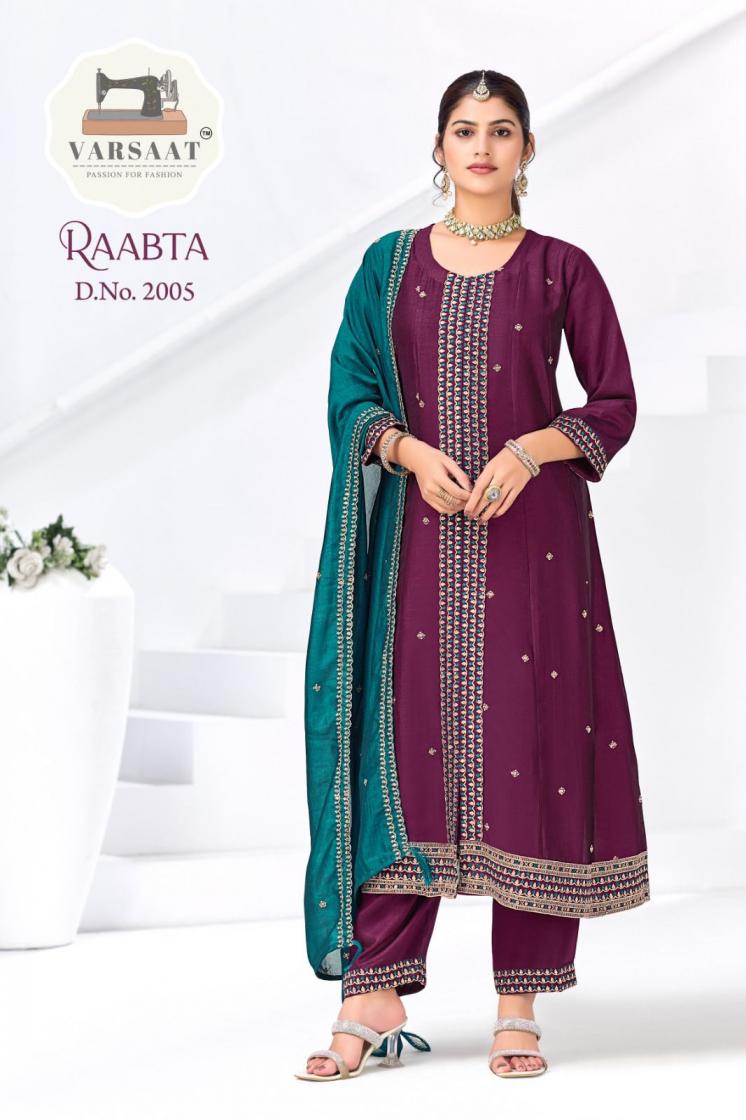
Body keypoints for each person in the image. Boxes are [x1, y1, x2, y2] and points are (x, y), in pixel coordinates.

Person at [296, 68, 650, 1082]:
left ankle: (517, 1001)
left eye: (501, 130)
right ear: (440, 147)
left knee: (530, 749)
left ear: (526, 149)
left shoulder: (560, 269)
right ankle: (372, 986)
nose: (482, 147)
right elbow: (351, 389)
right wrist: (407, 452)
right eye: (464, 130)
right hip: (415, 541)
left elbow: (614, 401)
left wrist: (531, 449)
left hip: (534, 543)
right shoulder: (388, 266)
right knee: (397, 750)